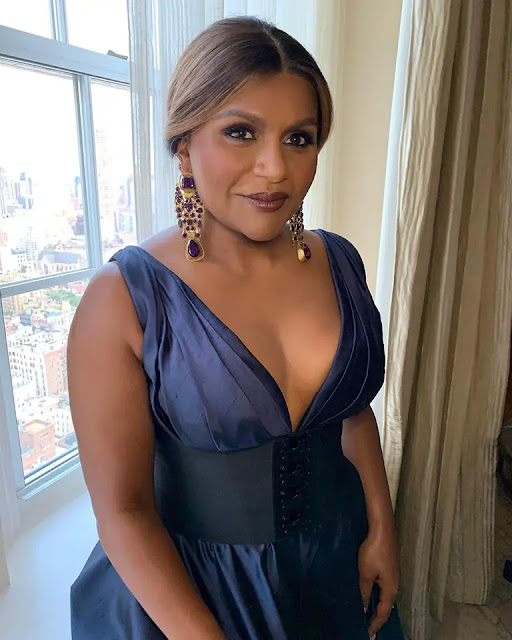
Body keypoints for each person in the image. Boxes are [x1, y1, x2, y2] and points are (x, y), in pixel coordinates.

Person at [68, 16, 403, 640]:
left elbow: (352, 413)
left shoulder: (340, 260)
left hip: (334, 560)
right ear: (184, 144)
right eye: (241, 132)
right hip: (194, 594)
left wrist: (381, 527)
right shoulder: (121, 300)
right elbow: (123, 511)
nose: (275, 168)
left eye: (299, 138)